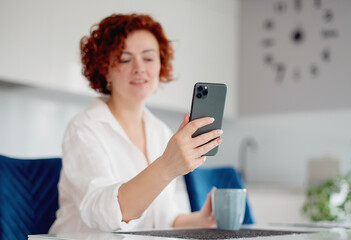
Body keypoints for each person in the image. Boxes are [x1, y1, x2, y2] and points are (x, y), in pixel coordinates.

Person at [49, 13, 223, 233]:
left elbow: (163, 219)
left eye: (148, 58)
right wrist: (167, 165)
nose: (139, 68)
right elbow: (105, 216)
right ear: (105, 69)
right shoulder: (83, 128)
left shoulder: (160, 131)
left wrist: (201, 219)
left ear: (160, 66)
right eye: (124, 59)